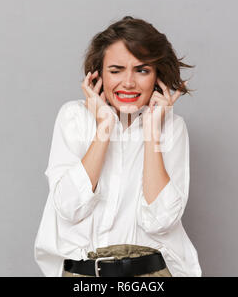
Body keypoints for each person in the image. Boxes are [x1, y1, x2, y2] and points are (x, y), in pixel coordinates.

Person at [34, 16, 202, 277]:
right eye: (116, 70)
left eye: (142, 70)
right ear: (98, 75)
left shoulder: (171, 127)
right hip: (84, 276)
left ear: (157, 77)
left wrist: (151, 133)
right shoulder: (74, 118)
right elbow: (69, 207)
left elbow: (161, 221)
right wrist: (104, 127)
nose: (128, 83)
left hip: (150, 275)